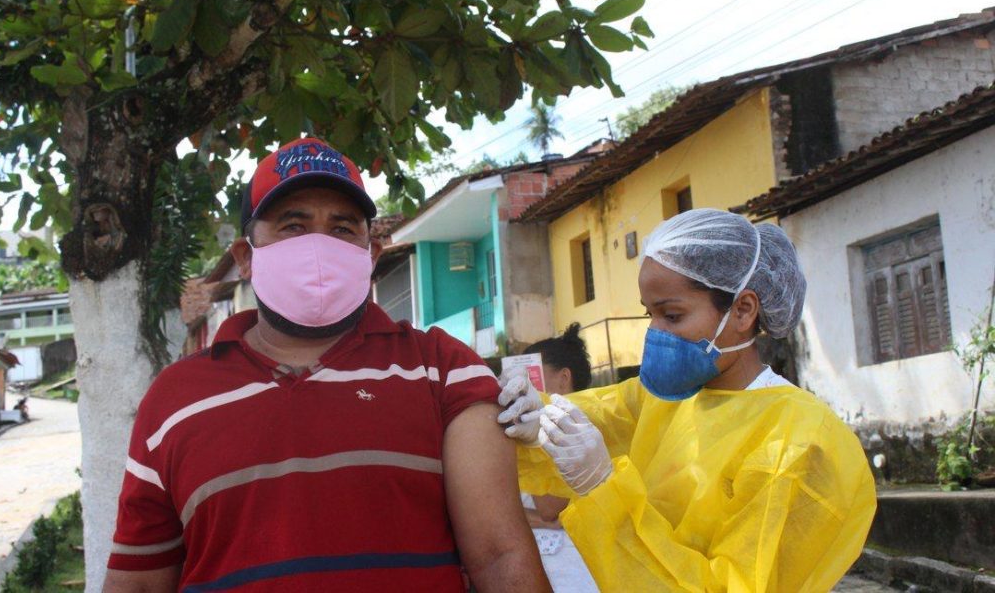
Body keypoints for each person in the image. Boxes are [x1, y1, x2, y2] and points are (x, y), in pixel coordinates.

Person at [104, 138, 549, 592]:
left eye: (341, 229)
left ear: (371, 256)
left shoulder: (444, 369)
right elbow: (138, 582)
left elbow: (500, 557)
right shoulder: (175, 398)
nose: (318, 246)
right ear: (246, 258)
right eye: (293, 226)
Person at [499, 208, 876, 592]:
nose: (654, 332)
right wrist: (537, 421)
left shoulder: (801, 442)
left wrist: (602, 489)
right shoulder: (662, 400)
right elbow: (600, 415)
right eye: (650, 314)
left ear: (743, 310)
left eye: (673, 315)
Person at [518, 324, 599, 593]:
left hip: (573, 570)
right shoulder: (526, 428)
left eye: (531, 377)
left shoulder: (585, 426)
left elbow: (549, 507)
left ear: (564, 378)